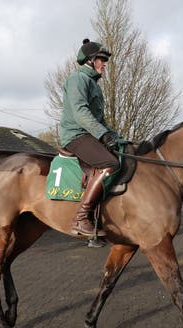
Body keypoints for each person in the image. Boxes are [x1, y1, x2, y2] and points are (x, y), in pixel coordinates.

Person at [59, 38, 124, 237]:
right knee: (109, 163)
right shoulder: (78, 80)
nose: (104, 63)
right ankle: (81, 217)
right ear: (90, 61)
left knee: (122, 153)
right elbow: (80, 112)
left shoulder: (94, 85)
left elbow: (100, 120)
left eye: (105, 60)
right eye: (101, 59)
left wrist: (117, 138)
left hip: (90, 135)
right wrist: (103, 135)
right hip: (76, 135)